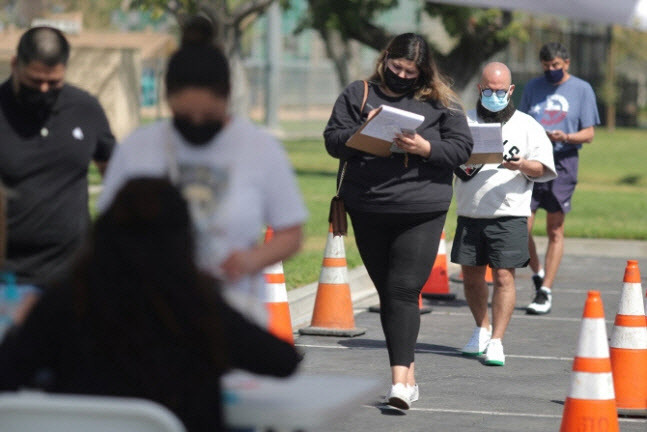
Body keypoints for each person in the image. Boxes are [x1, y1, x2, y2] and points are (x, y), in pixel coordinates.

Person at [0, 177, 301, 432]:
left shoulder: (66, 300)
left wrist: (21, 326)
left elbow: (9, 374)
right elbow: (282, 361)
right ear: (183, 238)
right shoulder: (196, 305)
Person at [97, 20, 307, 325]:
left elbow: (291, 233)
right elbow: (107, 229)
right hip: (152, 315)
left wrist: (249, 261)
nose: (196, 123)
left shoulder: (260, 148)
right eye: (185, 116)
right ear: (167, 98)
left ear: (227, 96)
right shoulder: (139, 148)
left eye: (208, 116)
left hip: (234, 316)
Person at [323, 33, 473, 409]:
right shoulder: (358, 93)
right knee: (389, 294)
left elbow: (462, 147)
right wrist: (364, 130)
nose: (402, 75)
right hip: (368, 207)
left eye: (411, 71)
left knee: (404, 290)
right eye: (397, 67)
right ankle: (408, 374)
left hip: (422, 209)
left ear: (424, 71)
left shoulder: (441, 101)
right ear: (385, 58)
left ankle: (399, 383)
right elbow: (332, 141)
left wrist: (426, 147)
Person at [451, 62, 556, 366]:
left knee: (503, 277)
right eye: (489, 90)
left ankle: (497, 340)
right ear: (479, 89)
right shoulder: (464, 122)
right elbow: (449, 158)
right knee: (471, 277)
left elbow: (544, 168)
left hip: (509, 213)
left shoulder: (527, 125)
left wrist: (522, 164)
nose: (494, 95)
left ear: (511, 90)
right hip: (470, 213)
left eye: (501, 91)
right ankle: (480, 329)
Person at [0, 26, 115, 286]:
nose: (43, 90)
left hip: (73, 275)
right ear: (16, 64)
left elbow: (116, 174)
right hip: (8, 280)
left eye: (53, 83)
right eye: (34, 81)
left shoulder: (86, 109)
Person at [519, 42, 600, 315]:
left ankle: (545, 291)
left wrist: (565, 136)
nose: (551, 70)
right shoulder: (532, 87)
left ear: (566, 63)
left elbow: (588, 133)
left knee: (555, 228)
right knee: (522, 226)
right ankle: (538, 273)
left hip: (563, 161)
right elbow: (521, 123)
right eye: (546, 66)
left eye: (555, 66)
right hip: (533, 161)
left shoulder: (582, 89)